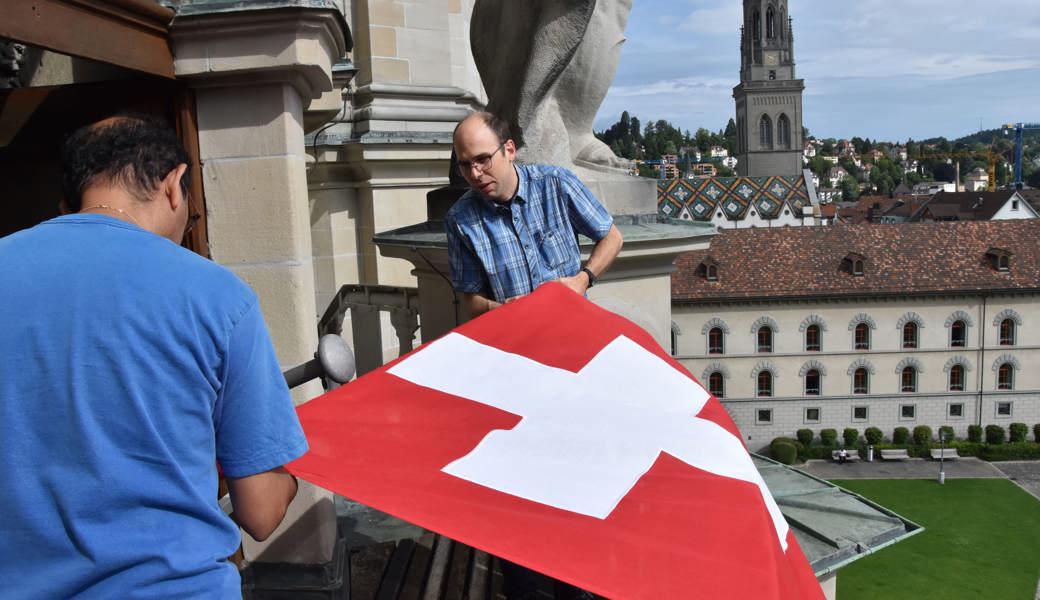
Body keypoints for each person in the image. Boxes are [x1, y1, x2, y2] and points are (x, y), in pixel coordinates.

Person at [0, 116, 307, 598]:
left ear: (69, 201)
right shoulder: (217, 295)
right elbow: (262, 512)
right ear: (172, 185)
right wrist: (283, 471)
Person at [445, 112, 623, 317]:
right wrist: (500, 309)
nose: (475, 174)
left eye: (483, 159)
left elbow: (612, 237)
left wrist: (583, 279)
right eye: (465, 165)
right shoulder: (460, 220)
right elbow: (469, 299)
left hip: (573, 326)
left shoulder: (556, 184)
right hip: (515, 339)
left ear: (509, 150)